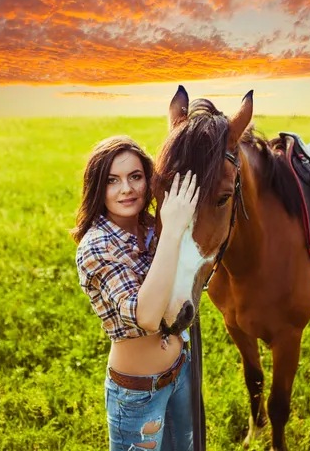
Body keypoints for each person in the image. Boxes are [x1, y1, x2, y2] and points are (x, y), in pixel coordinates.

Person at [72, 135, 199, 451]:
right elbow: (146, 317)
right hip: (138, 394)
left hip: (180, 371)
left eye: (135, 177)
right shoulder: (96, 246)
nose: (126, 189)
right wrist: (172, 230)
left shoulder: (152, 227)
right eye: (112, 180)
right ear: (97, 188)